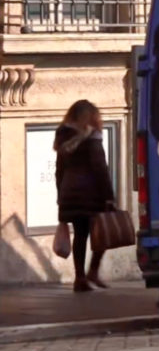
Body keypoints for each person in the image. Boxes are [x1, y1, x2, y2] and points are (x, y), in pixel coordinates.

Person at [54, 100, 114, 293]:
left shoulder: (63, 137)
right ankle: (93, 272)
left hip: (69, 192)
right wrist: (109, 196)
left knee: (80, 235)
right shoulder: (92, 138)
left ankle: (80, 278)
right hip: (91, 192)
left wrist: (60, 195)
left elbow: (59, 170)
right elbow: (100, 168)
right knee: (103, 234)